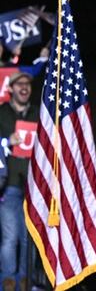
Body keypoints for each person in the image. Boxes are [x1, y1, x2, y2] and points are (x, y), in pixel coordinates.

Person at [0, 72, 38, 291]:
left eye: (27, 84)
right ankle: (8, 279)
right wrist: (6, 141)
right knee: (10, 236)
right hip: (8, 184)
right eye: (19, 84)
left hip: (32, 185)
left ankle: (25, 279)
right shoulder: (2, 113)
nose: (24, 88)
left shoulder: (37, 114)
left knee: (28, 237)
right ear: (11, 88)